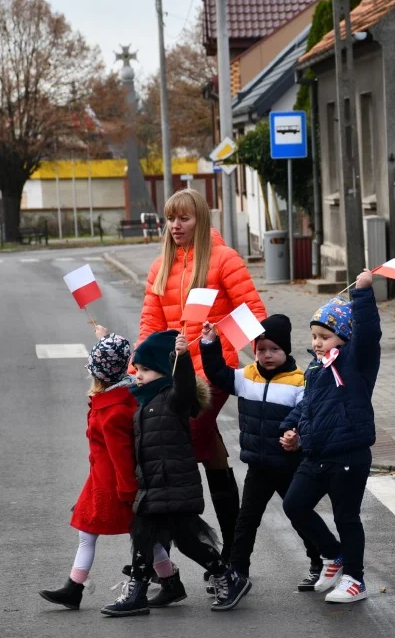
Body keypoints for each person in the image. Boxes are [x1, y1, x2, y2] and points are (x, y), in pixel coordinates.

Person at [136, 188, 267, 570]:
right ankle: (231, 552)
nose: (176, 226)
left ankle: (192, 558)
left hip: (209, 376)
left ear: (201, 220)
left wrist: (237, 355)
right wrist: (139, 370)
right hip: (172, 374)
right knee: (207, 454)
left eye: (184, 218)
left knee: (177, 450)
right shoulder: (159, 266)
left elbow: (252, 312)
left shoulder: (224, 259)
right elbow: (150, 324)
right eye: (171, 218)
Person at [102, 330, 250, 616]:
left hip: (176, 486)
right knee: (142, 536)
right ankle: (137, 592)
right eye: (137, 369)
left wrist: (181, 358)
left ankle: (227, 577)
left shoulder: (174, 398)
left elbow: (183, 385)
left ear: (164, 370)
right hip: (152, 487)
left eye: (145, 369)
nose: (139, 375)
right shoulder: (142, 404)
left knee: (188, 541)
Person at [40, 327, 184, 611]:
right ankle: (168, 582)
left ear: (98, 374)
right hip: (102, 481)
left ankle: (76, 588)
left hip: (115, 486)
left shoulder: (111, 411)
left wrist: (129, 492)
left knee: (133, 535)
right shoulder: (125, 395)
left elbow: (121, 456)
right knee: (135, 536)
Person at [200, 314, 323, 590]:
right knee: (246, 522)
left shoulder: (300, 381)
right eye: (262, 349)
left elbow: (306, 418)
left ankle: (318, 562)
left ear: (286, 350)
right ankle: (237, 574)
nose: (267, 355)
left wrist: (296, 437)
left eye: (275, 350)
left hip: (289, 464)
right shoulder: (246, 376)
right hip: (258, 466)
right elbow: (218, 374)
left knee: (299, 515)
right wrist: (209, 344)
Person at [280, 270, 380, 604]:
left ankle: (355, 579)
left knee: (346, 516)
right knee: (294, 504)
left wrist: (363, 294)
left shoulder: (357, 362)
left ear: (343, 336)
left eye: (324, 336)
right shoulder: (316, 367)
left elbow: (369, 335)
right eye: (314, 336)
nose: (317, 343)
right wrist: (292, 429)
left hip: (349, 453)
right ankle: (333, 555)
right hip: (316, 453)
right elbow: (309, 404)